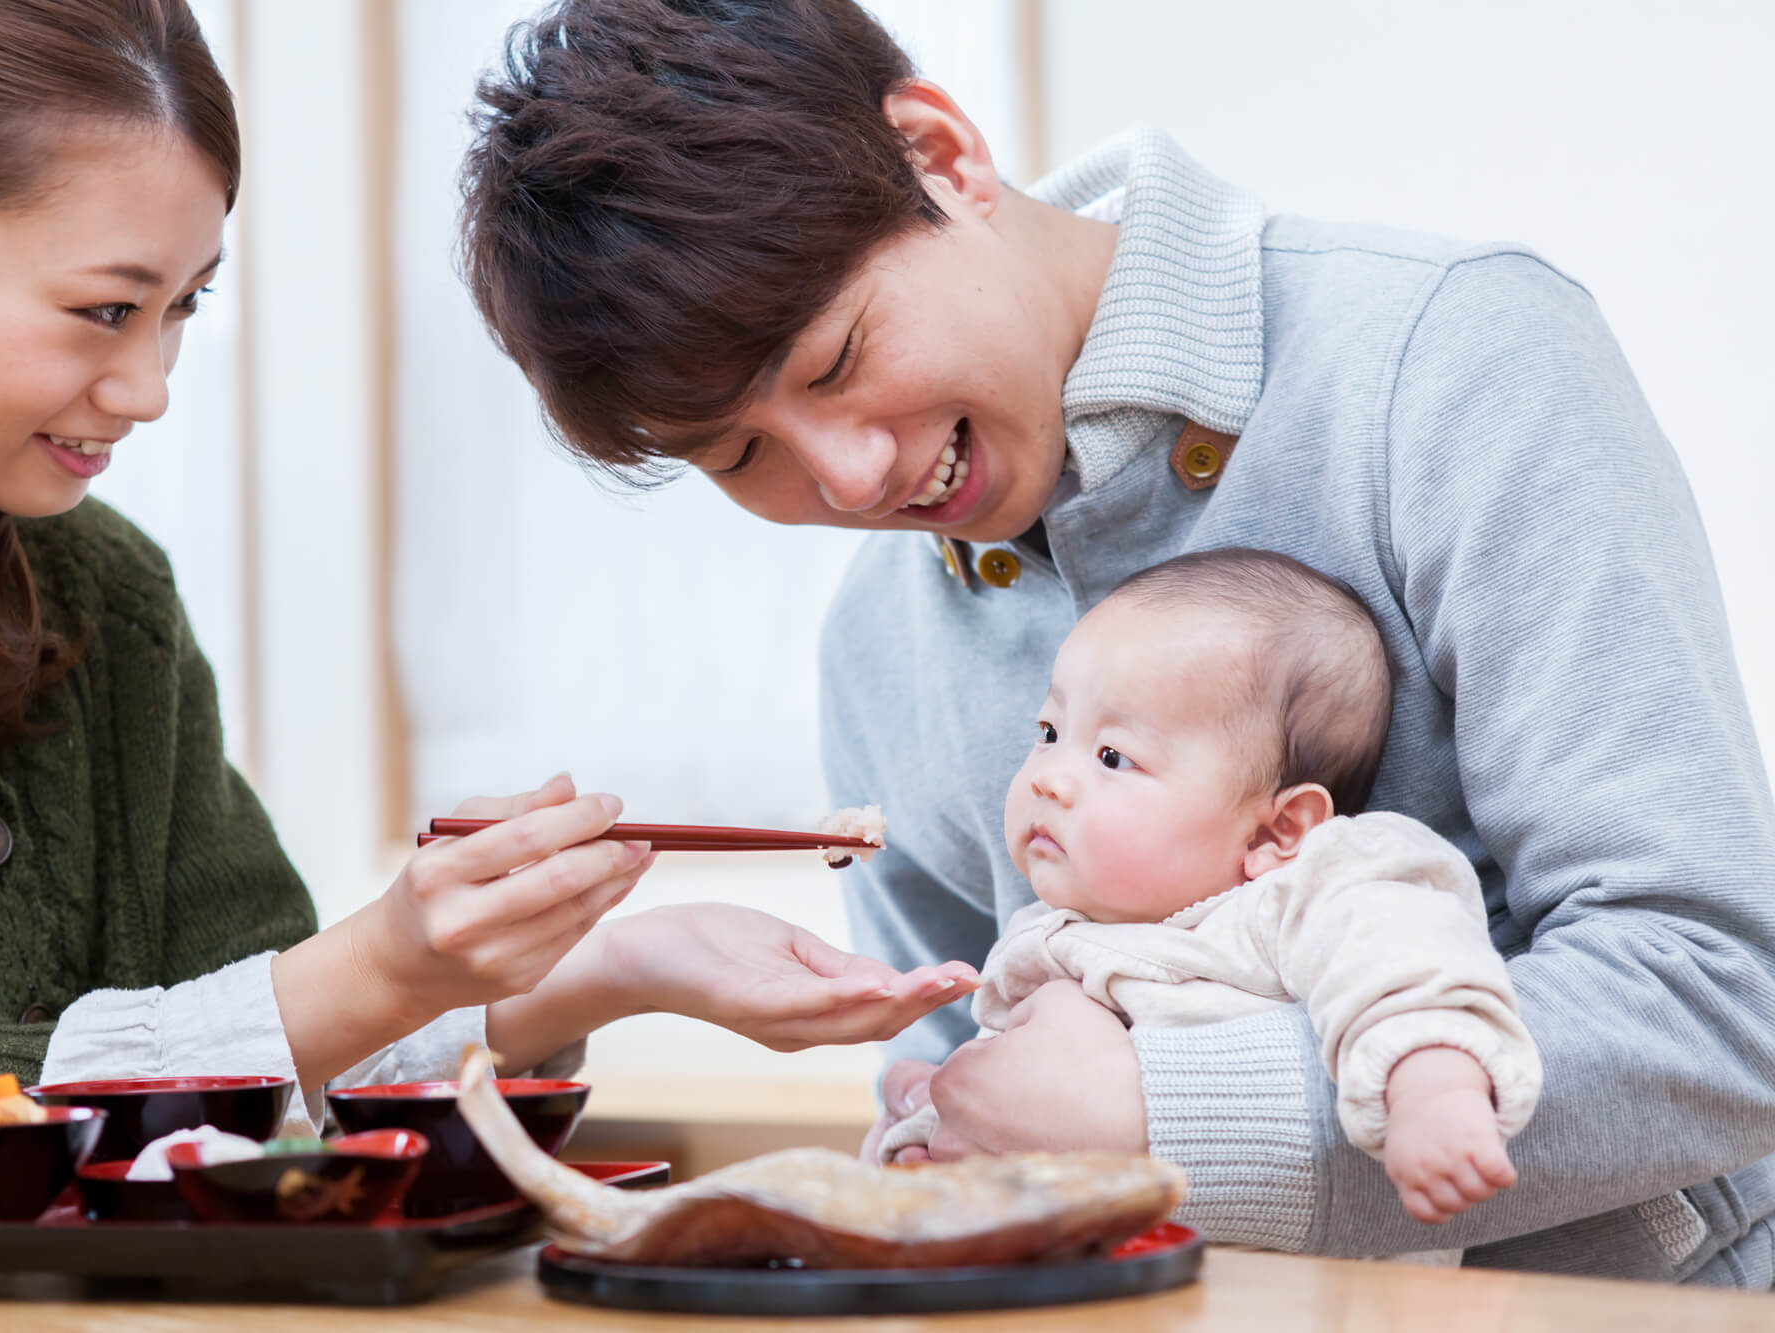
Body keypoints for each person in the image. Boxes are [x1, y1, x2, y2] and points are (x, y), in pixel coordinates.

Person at [457, 0, 1775, 1281]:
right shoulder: (878, 642)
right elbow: (991, 1110)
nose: (851, 481)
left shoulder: (1453, 357)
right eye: (742, 454)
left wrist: (1160, 1107)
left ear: (944, 158)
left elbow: (1723, 1007)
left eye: (840, 358)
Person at [0, 0, 976, 1214]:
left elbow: (257, 1052)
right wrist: (378, 963)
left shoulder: (102, 594)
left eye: (185, 304)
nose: (148, 389)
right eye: (104, 309)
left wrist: (586, 966)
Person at [876, 550, 1541, 1246]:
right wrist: (923, 1134)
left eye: (1112, 756)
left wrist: (1433, 1088)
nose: (1049, 777)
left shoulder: (1295, 897)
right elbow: (1001, 1123)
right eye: (1049, 733)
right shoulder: (1038, 938)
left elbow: (1410, 956)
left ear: (1279, 829)